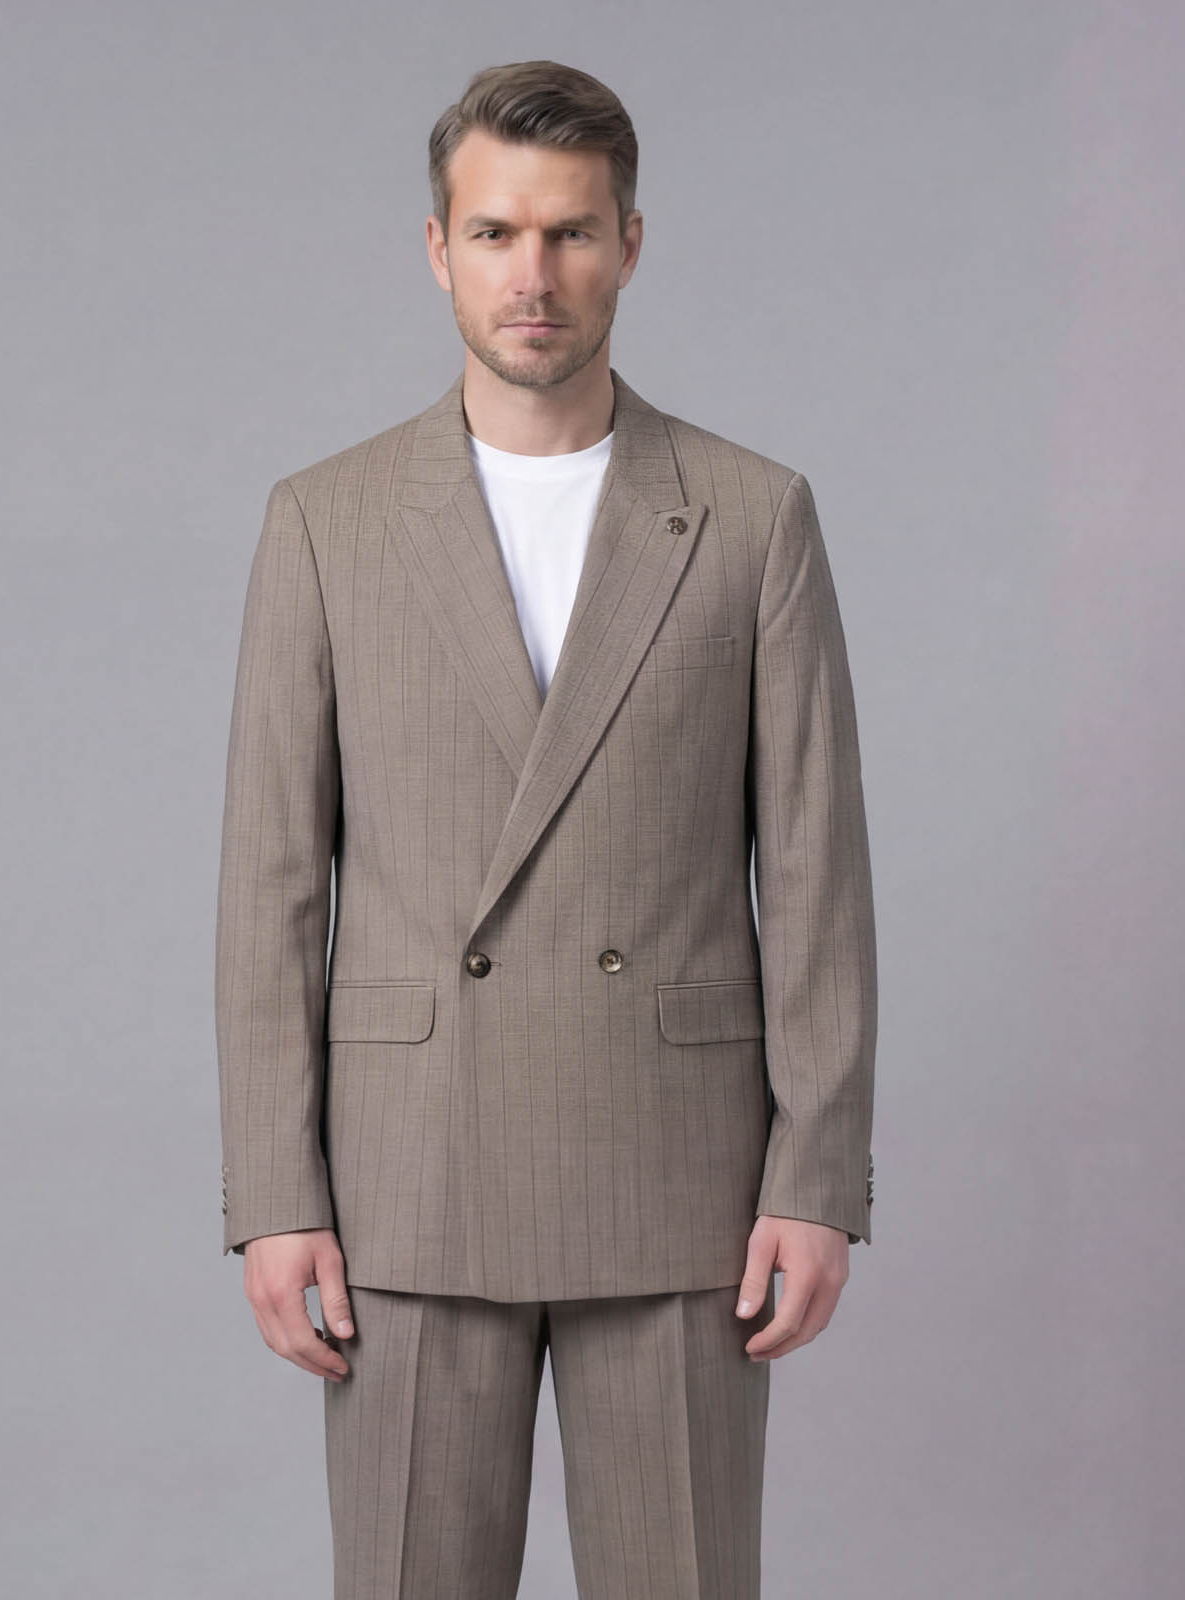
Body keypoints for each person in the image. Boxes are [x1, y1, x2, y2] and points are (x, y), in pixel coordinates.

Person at [215, 57, 877, 1599]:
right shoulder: (327, 521)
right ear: (437, 250)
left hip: (680, 1177)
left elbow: (816, 869)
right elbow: (270, 885)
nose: (535, 276)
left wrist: (814, 1173)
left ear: (630, 245)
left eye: (572, 232)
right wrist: (276, 1193)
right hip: (410, 1173)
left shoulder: (751, 514)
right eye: (498, 233)